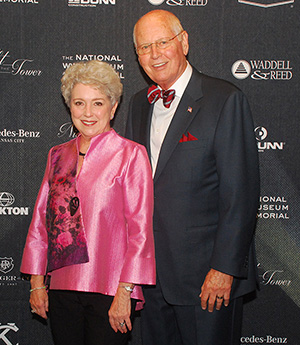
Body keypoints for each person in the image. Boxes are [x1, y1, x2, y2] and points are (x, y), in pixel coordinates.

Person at [125, 9, 260, 345]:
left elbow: (240, 194)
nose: (154, 54)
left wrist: (224, 269)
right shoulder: (139, 104)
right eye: (144, 47)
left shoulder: (224, 99)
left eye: (162, 43)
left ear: (183, 42)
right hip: (151, 279)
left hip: (206, 280)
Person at [21, 60, 156, 345]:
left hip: (111, 290)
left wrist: (125, 293)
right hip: (61, 288)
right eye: (79, 103)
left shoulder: (131, 155)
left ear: (113, 107)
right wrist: (36, 285)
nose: (88, 113)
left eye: (97, 103)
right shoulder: (57, 155)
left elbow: (140, 232)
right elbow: (40, 224)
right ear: (69, 106)